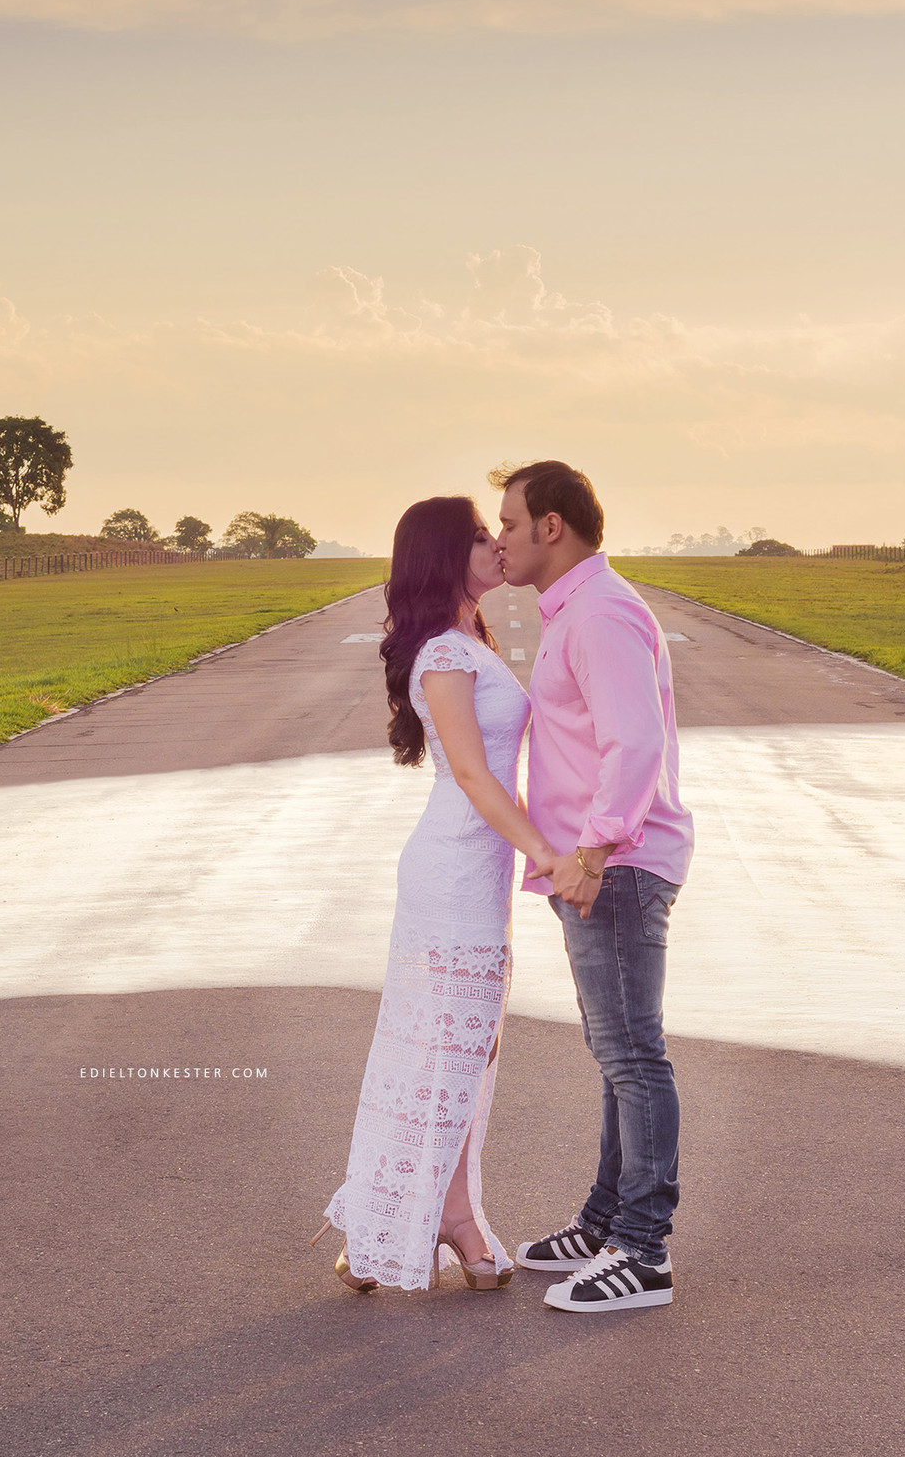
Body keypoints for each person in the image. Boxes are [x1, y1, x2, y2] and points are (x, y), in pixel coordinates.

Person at [313, 495, 556, 1293]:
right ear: (445, 554)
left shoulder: (469, 639)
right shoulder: (443, 657)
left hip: (473, 874)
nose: (495, 546)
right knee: (441, 1050)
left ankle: (433, 1215)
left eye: (497, 533)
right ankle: (411, 1220)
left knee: (465, 1050)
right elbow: (475, 774)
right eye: (480, 537)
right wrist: (544, 853)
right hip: (452, 872)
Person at [491, 460, 694, 1314]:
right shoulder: (577, 610)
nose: (497, 538)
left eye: (506, 523)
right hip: (598, 865)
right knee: (616, 1057)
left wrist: (595, 848)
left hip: (615, 865)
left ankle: (642, 1252)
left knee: (632, 1057)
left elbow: (633, 742)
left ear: (550, 527)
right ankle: (607, 1219)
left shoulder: (601, 613)